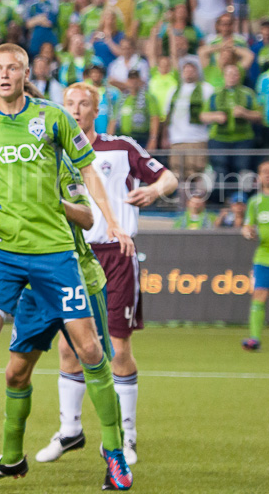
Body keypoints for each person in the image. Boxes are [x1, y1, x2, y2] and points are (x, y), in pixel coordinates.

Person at [0, 44, 134, 490]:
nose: (4, 74)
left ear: (26, 73)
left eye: (13, 68)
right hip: (2, 254)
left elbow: (89, 171)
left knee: (90, 351)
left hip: (55, 254)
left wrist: (113, 222)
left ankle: (115, 452)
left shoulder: (53, 118)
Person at [34, 82, 178, 469]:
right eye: (69, 103)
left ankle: (126, 435)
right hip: (72, 256)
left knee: (118, 347)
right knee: (69, 347)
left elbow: (168, 177)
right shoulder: (53, 150)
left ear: (96, 111)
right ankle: (70, 429)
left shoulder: (121, 148)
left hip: (116, 254)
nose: (76, 109)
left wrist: (154, 192)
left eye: (84, 104)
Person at [242, 160, 269, 351]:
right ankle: (254, 338)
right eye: (264, 172)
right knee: (259, 294)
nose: (267, 174)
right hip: (263, 256)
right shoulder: (255, 202)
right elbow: (247, 226)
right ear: (259, 177)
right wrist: (248, 232)